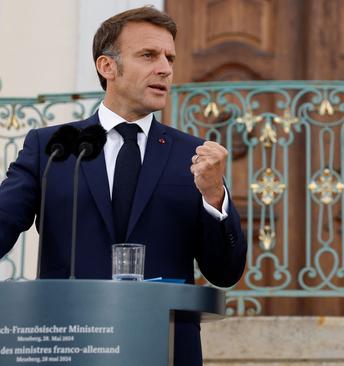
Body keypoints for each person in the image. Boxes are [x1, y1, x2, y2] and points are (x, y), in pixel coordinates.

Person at [0, 6, 246, 366]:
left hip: (164, 347)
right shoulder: (51, 147)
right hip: (68, 343)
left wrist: (214, 196)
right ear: (107, 67)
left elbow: (225, 272)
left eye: (169, 58)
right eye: (148, 55)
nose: (165, 68)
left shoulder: (194, 156)